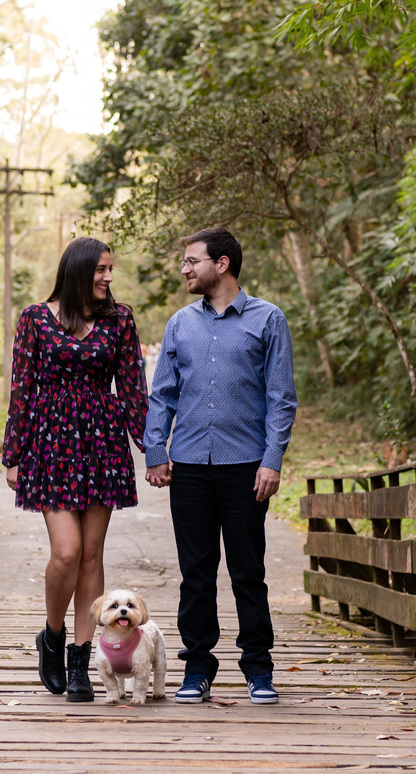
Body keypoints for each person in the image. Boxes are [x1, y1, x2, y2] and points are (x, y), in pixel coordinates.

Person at [143, 227, 297, 705]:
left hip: (246, 467)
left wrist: (272, 461)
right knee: (196, 572)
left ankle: (258, 668)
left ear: (222, 263)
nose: (185, 269)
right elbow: (162, 393)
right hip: (188, 466)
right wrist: (155, 450)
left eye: (192, 261)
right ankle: (197, 669)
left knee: (248, 571)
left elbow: (281, 398)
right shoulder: (179, 324)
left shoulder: (268, 320)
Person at [3, 237, 148, 702]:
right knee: (66, 552)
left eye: (111, 270)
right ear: (79, 271)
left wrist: (154, 448)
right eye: (101, 270)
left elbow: (131, 389)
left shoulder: (120, 319)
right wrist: (14, 453)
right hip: (51, 442)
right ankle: (52, 635)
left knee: (91, 554)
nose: (108, 277)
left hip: (102, 442)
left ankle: (83, 660)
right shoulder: (34, 318)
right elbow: (21, 388)